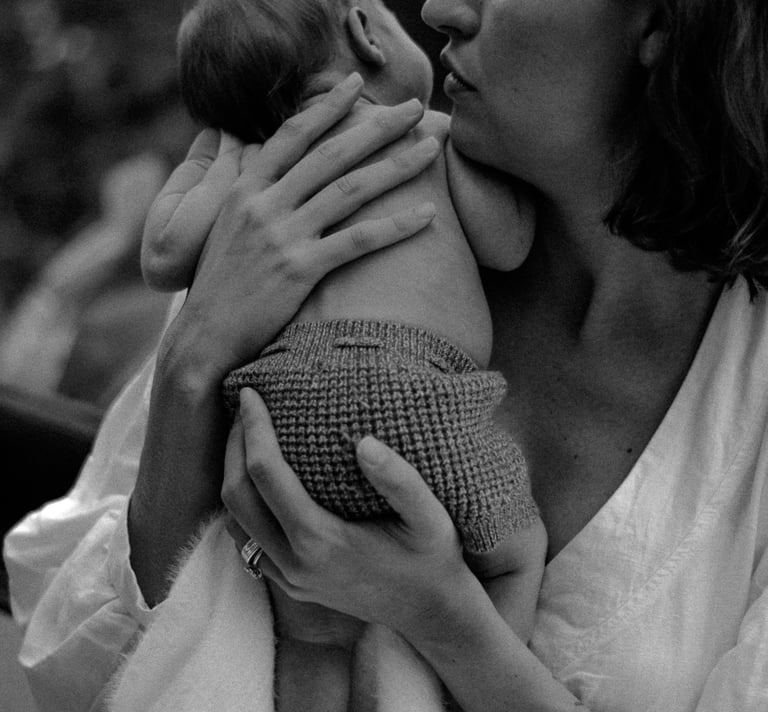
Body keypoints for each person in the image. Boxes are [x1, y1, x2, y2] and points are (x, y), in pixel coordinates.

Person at [4, 0, 768, 710]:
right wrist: (190, 365)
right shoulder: (293, 227)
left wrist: (443, 619)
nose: (440, 8)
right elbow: (70, 671)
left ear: (664, 22)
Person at [122, 0, 544, 709]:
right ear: (365, 31)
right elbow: (510, 243)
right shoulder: (423, 134)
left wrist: (217, 151)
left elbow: (163, 255)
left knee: (313, 628)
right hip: (413, 396)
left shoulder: (260, 186)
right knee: (515, 549)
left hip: (278, 415)